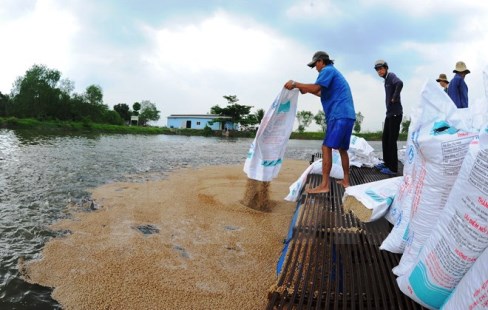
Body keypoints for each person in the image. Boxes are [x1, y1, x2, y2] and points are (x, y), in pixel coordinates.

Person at [284, 51, 356, 194]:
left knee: (326, 147)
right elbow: (322, 92)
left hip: (338, 115)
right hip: (347, 115)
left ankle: (324, 185)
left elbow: (316, 87)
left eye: (315, 65)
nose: (315, 68)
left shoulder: (327, 70)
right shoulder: (335, 73)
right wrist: (305, 89)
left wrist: (295, 83)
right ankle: (346, 181)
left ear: (321, 61)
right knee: (342, 149)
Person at [374, 60, 403, 176]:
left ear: (386, 68)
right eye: (377, 70)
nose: (379, 71)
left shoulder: (391, 76)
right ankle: (386, 163)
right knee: (385, 139)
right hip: (389, 114)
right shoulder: (386, 80)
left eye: (381, 69)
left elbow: (400, 83)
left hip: (396, 114)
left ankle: (393, 168)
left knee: (391, 141)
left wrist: (394, 97)